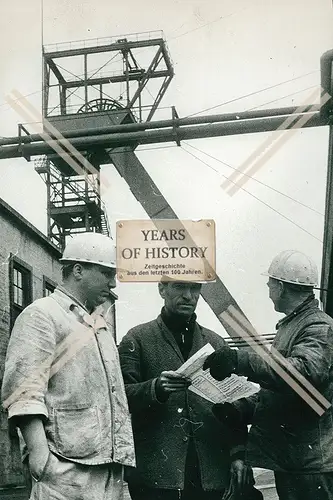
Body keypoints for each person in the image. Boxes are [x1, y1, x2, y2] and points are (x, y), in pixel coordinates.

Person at [1, 232, 135, 500]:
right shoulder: (42, 314)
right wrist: (43, 461)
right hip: (65, 471)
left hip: (109, 471)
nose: (113, 283)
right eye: (107, 273)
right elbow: (24, 392)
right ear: (78, 270)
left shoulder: (100, 327)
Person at [204, 250, 333, 500]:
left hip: (311, 466)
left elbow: (303, 374)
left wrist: (240, 360)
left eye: (270, 284)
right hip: (297, 461)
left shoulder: (318, 326)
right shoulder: (294, 325)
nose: (268, 289)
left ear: (281, 287)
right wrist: (243, 408)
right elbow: (285, 390)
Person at [118, 279, 253, 500]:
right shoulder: (137, 339)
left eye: (195, 288)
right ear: (162, 289)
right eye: (180, 287)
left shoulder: (216, 343)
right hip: (157, 477)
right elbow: (119, 396)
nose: (188, 296)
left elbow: (234, 402)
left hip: (210, 472)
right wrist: (155, 388)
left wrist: (238, 454)